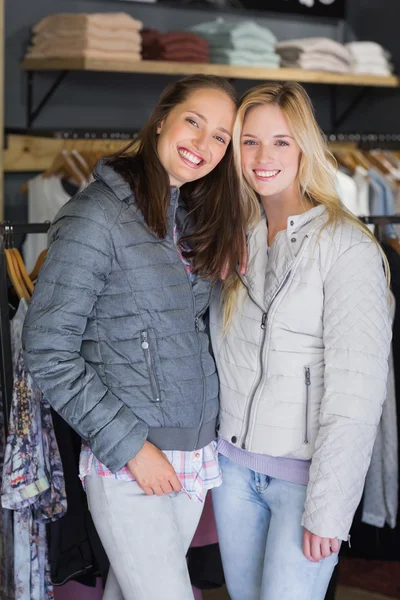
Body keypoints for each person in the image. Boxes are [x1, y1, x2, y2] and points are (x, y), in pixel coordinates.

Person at [22, 74, 245, 600]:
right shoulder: (94, 215)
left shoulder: (195, 216)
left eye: (221, 137)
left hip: (194, 453)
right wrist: (130, 448)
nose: (203, 144)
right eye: (194, 121)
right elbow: (48, 348)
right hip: (129, 456)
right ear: (163, 117)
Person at [210, 81, 392, 600]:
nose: (263, 157)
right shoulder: (231, 238)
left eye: (281, 141)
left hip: (303, 484)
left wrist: (330, 509)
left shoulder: (346, 247)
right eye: (249, 141)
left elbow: (356, 395)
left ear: (305, 147)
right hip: (232, 471)